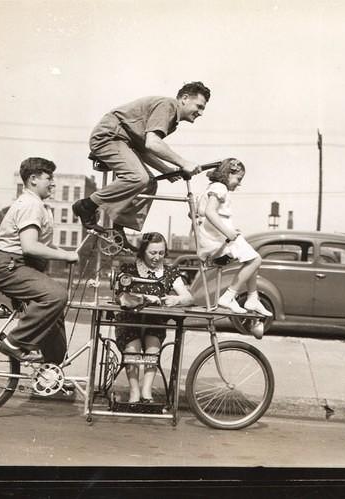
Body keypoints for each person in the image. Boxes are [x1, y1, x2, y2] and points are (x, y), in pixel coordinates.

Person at [72, 81, 212, 248]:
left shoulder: (172, 120)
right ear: (184, 98)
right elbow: (153, 144)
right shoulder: (167, 106)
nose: (201, 113)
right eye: (199, 106)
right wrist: (183, 162)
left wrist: (167, 170)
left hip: (124, 142)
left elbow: (144, 149)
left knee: (149, 183)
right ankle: (86, 206)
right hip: (109, 137)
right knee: (138, 177)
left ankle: (118, 230)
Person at [0, 157, 79, 364]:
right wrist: (66, 255)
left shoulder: (36, 204)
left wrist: (65, 252)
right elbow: (30, 246)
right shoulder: (31, 204)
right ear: (33, 179)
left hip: (18, 266)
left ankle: (52, 373)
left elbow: (39, 244)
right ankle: (15, 342)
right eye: (49, 178)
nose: (53, 183)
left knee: (53, 316)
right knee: (56, 296)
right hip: (10, 266)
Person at [113, 232, 193, 403]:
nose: (157, 257)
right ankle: (134, 391)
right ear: (143, 252)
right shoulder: (129, 269)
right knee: (132, 348)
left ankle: (146, 391)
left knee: (153, 348)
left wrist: (177, 299)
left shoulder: (169, 272)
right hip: (129, 321)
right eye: (153, 253)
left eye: (161, 253)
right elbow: (120, 295)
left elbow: (189, 297)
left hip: (154, 323)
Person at [196, 158, 273, 318]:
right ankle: (229, 296)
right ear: (228, 173)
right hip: (218, 241)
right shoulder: (220, 187)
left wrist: (228, 229)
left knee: (251, 259)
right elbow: (210, 212)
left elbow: (202, 214)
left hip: (214, 239)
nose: (239, 184)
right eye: (238, 179)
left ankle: (253, 297)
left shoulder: (211, 188)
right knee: (255, 260)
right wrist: (228, 233)